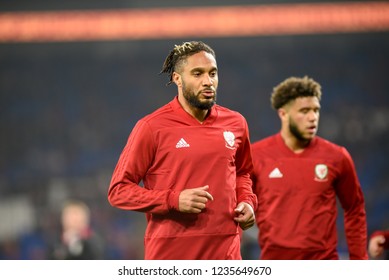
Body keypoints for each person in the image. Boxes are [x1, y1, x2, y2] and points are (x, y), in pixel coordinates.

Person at [108, 41, 257, 260]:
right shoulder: (152, 127)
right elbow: (118, 191)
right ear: (177, 78)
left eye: (212, 73)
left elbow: (243, 173)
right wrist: (173, 200)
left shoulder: (236, 123)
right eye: (197, 74)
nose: (208, 82)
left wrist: (247, 201)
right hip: (172, 258)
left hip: (226, 255)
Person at [250, 76, 368, 260]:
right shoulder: (255, 156)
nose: (313, 117)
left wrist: (359, 262)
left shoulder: (337, 157)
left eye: (316, 110)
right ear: (283, 114)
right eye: (304, 111)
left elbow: (354, 209)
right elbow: (238, 206)